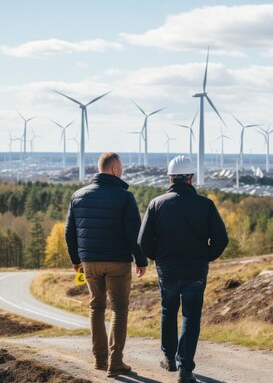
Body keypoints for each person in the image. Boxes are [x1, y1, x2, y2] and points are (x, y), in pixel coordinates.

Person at [138, 155, 228, 383]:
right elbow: (221, 239)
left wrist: (158, 257)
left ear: (170, 178)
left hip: (167, 271)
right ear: (191, 179)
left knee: (168, 311)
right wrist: (205, 257)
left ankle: (168, 358)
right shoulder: (205, 205)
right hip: (195, 271)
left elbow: (143, 241)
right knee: (191, 317)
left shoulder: (156, 204)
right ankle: (185, 370)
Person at [65, 152, 148, 377]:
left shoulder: (78, 195)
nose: (122, 171)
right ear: (113, 169)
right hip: (118, 262)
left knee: (96, 308)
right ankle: (116, 362)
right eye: (121, 167)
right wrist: (141, 260)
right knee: (119, 309)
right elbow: (134, 233)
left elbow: (69, 233)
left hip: (89, 262)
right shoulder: (125, 197)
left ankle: (100, 360)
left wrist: (76, 260)